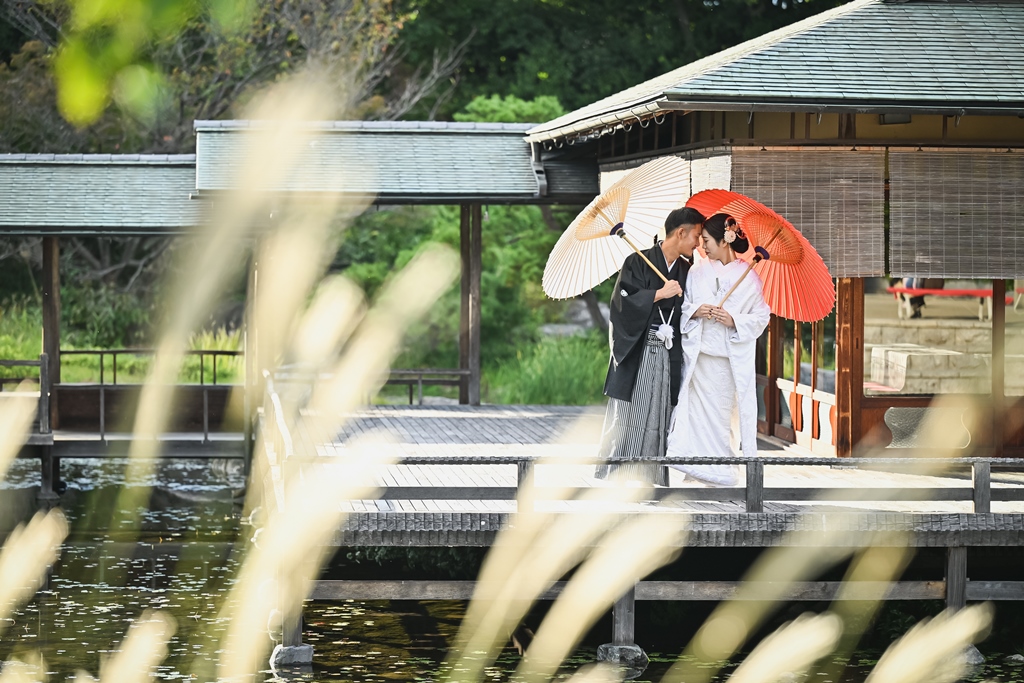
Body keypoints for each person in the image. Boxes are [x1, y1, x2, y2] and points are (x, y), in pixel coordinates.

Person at [596, 207, 705, 485]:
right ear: (681, 233)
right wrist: (658, 293)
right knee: (630, 413)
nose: (698, 243)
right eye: (696, 236)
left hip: (668, 353)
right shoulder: (636, 261)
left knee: (659, 412)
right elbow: (621, 304)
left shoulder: (687, 270)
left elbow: (688, 310)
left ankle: (648, 478)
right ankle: (619, 476)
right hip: (640, 350)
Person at [666, 213, 771, 486]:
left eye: (707, 240)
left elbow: (761, 317)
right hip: (699, 360)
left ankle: (721, 474)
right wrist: (696, 310)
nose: (702, 246)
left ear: (725, 240)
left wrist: (734, 319)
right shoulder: (697, 271)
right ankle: (693, 470)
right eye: (700, 240)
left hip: (725, 363)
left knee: (723, 420)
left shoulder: (749, 278)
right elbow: (684, 306)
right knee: (695, 418)